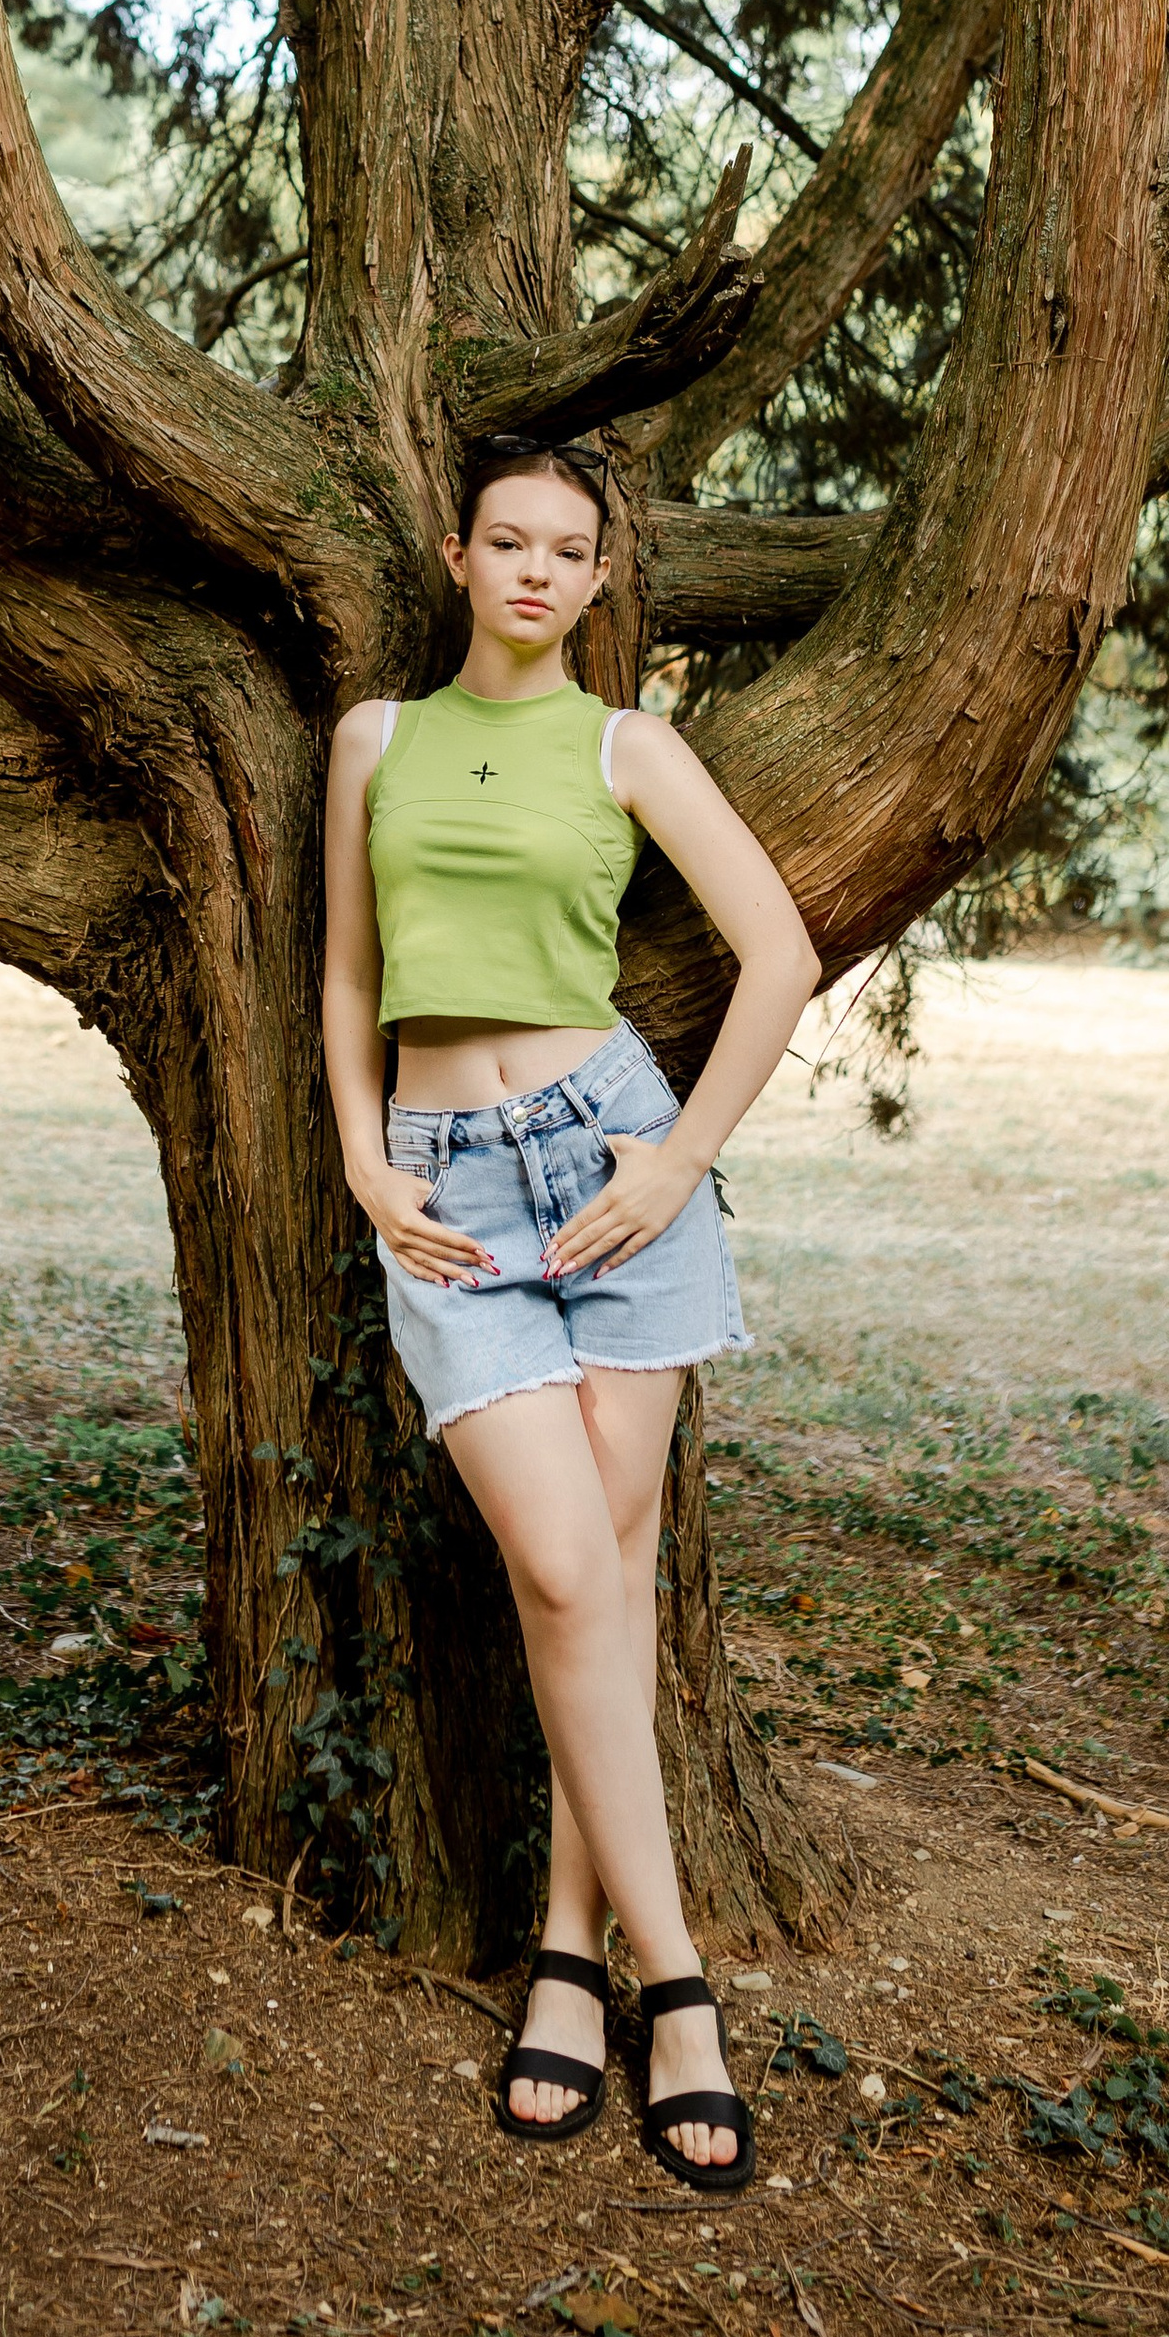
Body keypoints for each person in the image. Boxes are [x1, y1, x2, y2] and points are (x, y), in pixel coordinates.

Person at [321, 431, 819, 2190]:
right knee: (561, 1569)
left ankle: (567, 1960)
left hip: (612, 1174)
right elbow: (350, 971)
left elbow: (781, 954)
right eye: (506, 541)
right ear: (459, 559)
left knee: (591, 1587)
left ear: (601, 582)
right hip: (448, 1188)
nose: (536, 570)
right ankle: (676, 1984)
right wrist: (367, 1161)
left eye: (569, 551)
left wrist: (678, 1164)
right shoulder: (372, 741)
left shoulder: (630, 747)